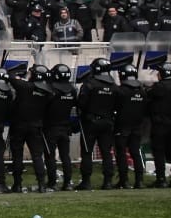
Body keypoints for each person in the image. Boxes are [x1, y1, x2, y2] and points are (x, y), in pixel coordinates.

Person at [77, 58, 120, 190]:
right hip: (107, 121)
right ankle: (107, 181)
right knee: (106, 153)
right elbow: (118, 104)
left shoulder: (89, 84)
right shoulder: (114, 87)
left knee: (87, 152)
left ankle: (86, 182)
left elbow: (81, 103)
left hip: (90, 122)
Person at [9, 65, 51, 193]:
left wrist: (22, 73)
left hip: (19, 125)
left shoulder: (25, 87)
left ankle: (17, 184)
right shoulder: (47, 92)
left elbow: (11, 76)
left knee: (17, 155)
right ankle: (42, 184)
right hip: (35, 126)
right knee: (37, 156)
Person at [146, 64, 171, 188]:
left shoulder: (159, 87)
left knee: (159, 152)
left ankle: (161, 179)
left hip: (160, 124)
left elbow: (148, 97)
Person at [43, 64, 79, 191]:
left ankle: (52, 182)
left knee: (50, 156)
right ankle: (68, 183)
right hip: (65, 127)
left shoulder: (50, 89)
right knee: (65, 156)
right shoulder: (72, 90)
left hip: (50, 128)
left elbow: (44, 106)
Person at [113, 64, 148, 188]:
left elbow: (115, 107)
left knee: (121, 153)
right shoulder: (142, 91)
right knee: (135, 153)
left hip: (122, 126)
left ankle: (124, 180)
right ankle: (139, 180)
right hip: (137, 126)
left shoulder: (121, 91)